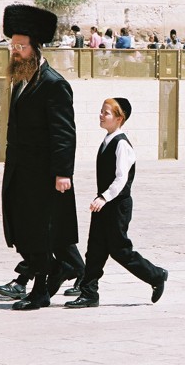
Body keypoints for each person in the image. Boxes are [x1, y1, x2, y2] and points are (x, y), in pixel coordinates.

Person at [1, 4, 83, 310]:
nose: (16, 51)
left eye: (21, 46)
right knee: (21, 231)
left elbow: (64, 133)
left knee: (41, 234)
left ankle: (39, 292)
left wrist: (63, 173)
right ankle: (59, 271)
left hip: (44, 175)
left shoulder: (54, 84)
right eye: (13, 46)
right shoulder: (21, 81)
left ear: (36, 48)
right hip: (20, 173)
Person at [65, 97, 169, 308]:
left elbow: (121, 178)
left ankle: (156, 275)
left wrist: (104, 197)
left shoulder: (122, 144)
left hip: (116, 205)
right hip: (104, 205)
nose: (101, 115)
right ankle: (89, 293)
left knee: (120, 250)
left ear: (120, 118)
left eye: (107, 113)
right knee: (95, 250)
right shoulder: (107, 140)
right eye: (101, 111)